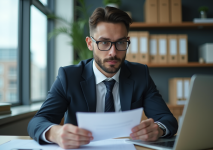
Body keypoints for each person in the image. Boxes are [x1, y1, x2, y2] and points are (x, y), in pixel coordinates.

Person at [28, 6, 178, 149]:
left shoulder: (140, 74)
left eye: (120, 42)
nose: (113, 52)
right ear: (90, 43)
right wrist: (56, 133)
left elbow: (167, 120)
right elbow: (37, 122)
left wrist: (158, 129)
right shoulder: (69, 77)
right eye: (104, 42)